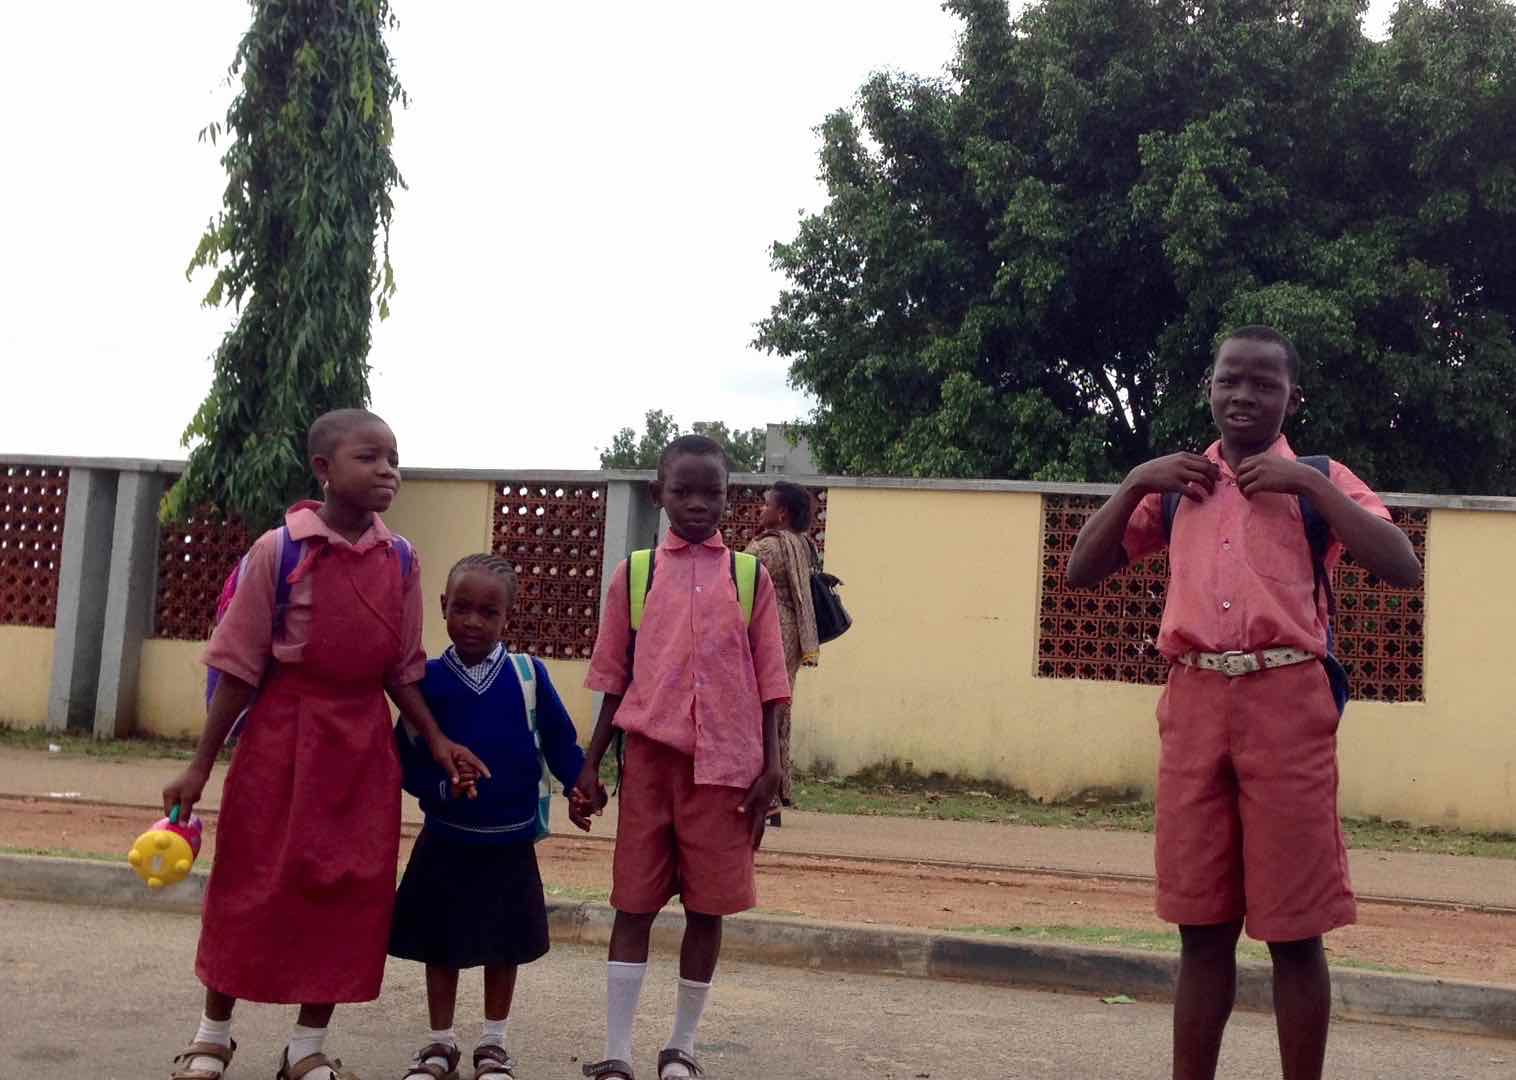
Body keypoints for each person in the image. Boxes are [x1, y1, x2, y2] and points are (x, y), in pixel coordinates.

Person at [1065, 326, 1421, 1080]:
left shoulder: (1320, 478)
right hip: (1193, 699)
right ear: (1209, 387)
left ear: (1293, 398)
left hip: (1288, 701)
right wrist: (1135, 481)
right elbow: (1081, 572)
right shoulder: (1177, 486)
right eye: (1231, 380)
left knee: (1295, 933)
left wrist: (1314, 488)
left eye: (1264, 384)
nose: (1244, 395)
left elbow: (1401, 566)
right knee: (1201, 928)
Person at [161, 409, 489, 1080]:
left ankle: (307, 1047)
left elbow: (403, 669)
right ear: (323, 469)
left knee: (347, 894)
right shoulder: (276, 552)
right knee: (252, 883)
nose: (387, 470)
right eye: (369, 457)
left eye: (394, 457)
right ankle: (212, 1035)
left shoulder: (400, 559)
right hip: (281, 740)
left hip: (362, 750)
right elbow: (239, 667)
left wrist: (436, 740)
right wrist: (199, 765)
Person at [574, 434, 791, 1080]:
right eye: (683, 492)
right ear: (657, 494)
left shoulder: (749, 578)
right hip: (649, 767)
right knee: (632, 906)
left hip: (729, 774)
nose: (698, 505)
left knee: (708, 908)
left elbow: (772, 680)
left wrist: (775, 764)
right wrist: (590, 764)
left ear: (731, 496)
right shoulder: (634, 575)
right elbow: (613, 678)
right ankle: (617, 1051)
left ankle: (683, 1048)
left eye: (713, 493)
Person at [390, 552, 599, 1080]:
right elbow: (406, 762)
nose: (473, 622)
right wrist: (441, 784)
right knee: (442, 944)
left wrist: (581, 784)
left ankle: (494, 1045)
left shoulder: (527, 675)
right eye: (461, 608)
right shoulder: (427, 682)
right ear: (442, 608)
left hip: (509, 842)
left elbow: (559, 742)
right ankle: (440, 1045)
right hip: (446, 839)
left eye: (488, 612)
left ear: (509, 615)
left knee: (502, 946)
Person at [745, 481, 821, 826]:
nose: (760, 511)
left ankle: (764, 793)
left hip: (766, 634)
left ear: (782, 513)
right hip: (791, 636)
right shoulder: (802, 545)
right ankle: (777, 792)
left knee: (755, 711)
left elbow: (735, 576)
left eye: (765, 505)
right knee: (778, 711)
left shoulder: (768, 549)